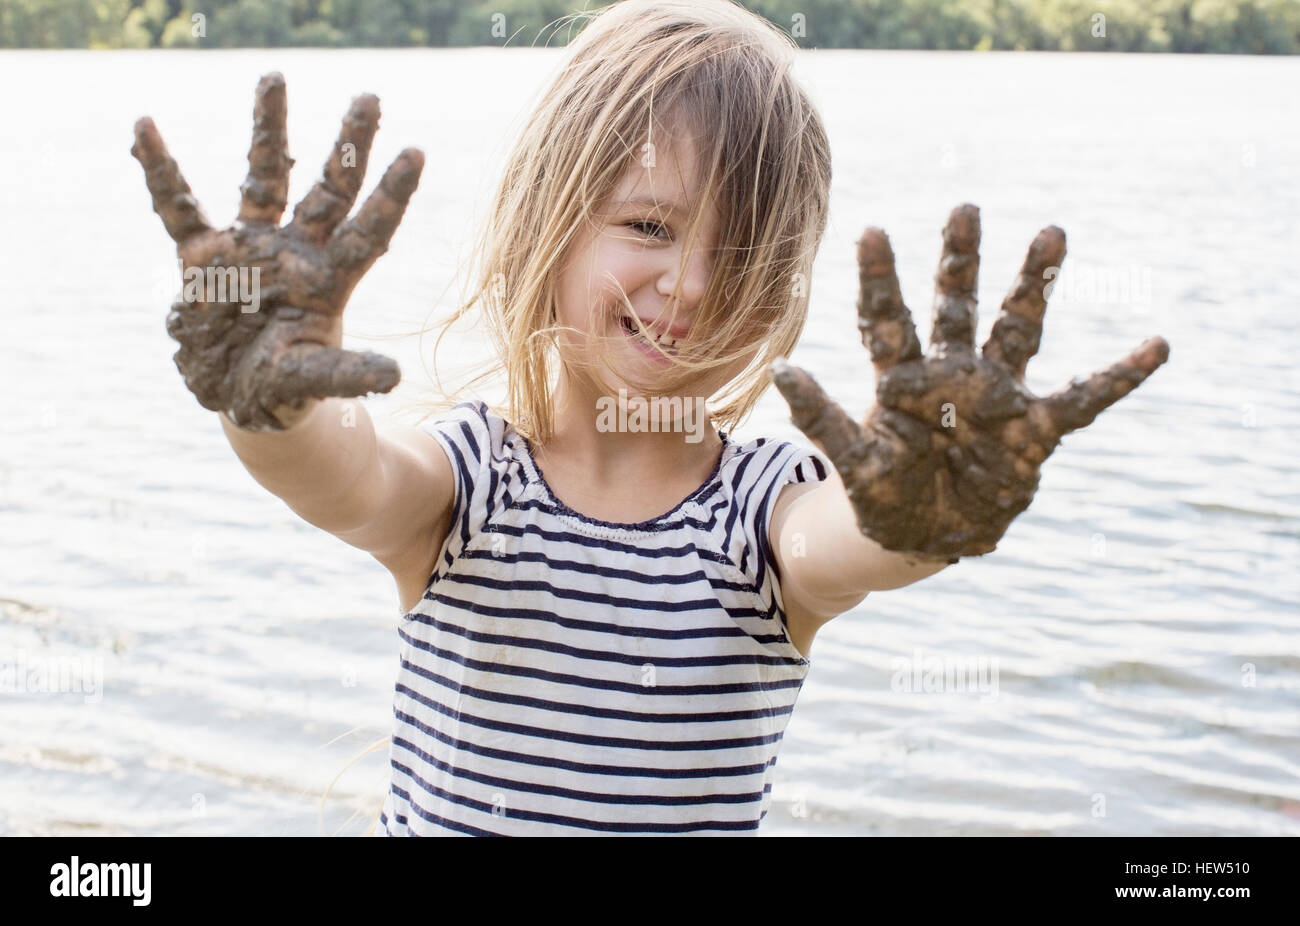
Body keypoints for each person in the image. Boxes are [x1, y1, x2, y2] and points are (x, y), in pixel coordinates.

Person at [129, 0, 1168, 836]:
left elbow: (848, 543)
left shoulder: (765, 512)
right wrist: (271, 399)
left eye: (740, 252)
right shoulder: (470, 482)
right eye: (646, 224)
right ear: (550, 220)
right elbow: (343, 474)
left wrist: (929, 510)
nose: (688, 285)